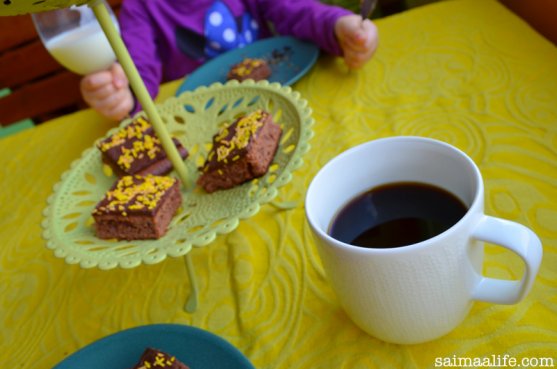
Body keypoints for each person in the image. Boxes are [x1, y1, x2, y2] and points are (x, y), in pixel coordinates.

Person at [80, 0, 379, 121]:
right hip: (203, 120)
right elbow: (137, 66)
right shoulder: (140, 8)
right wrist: (123, 93)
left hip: (282, 100)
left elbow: (294, 11)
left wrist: (337, 27)